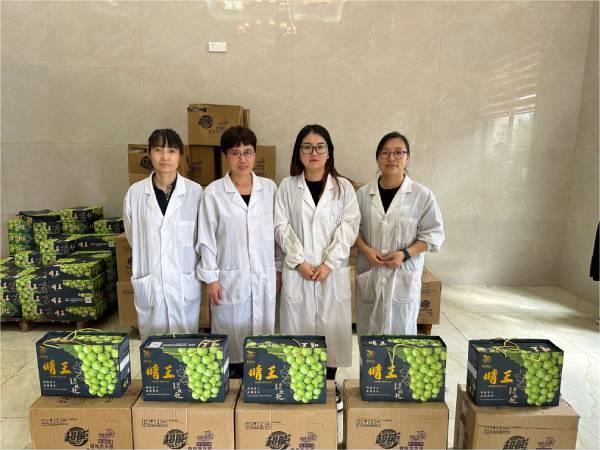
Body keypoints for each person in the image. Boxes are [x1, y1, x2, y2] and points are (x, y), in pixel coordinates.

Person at [274, 124, 360, 410]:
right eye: (307, 147)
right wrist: (299, 260)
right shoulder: (287, 186)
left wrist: (329, 263)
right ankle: (300, 383)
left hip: (330, 273)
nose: (314, 152)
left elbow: (349, 228)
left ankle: (329, 385)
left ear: (329, 152)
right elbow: (280, 226)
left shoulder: (343, 188)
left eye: (320, 146)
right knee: (299, 329)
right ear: (299, 153)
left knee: (331, 329)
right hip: (298, 270)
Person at [197, 126, 279, 378]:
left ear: (255, 154)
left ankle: (260, 381)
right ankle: (233, 378)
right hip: (228, 278)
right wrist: (211, 278)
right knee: (232, 339)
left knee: (262, 341)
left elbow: (278, 235)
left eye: (248, 152)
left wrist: (278, 269)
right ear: (225, 156)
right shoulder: (213, 193)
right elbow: (206, 239)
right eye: (235, 153)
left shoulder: (270, 189)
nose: (242, 159)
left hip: (264, 274)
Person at [355, 131, 444, 336]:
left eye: (398, 152)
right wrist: (366, 251)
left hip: (403, 274)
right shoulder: (363, 194)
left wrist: (405, 254)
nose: (391, 158)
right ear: (378, 158)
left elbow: (433, 234)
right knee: (369, 338)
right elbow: (352, 230)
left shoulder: (422, 196)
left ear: (407, 157)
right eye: (385, 153)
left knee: (400, 337)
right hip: (371, 272)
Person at [123, 129, 203, 341]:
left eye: (171, 151)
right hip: (152, 284)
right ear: (149, 153)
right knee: (154, 348)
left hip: (183, 285)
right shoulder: (135, 194)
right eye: (159, 150)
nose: (165, 157)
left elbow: (201, 239)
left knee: (186, 349)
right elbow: (133, 236)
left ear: (180, 155)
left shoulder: (195, 193)